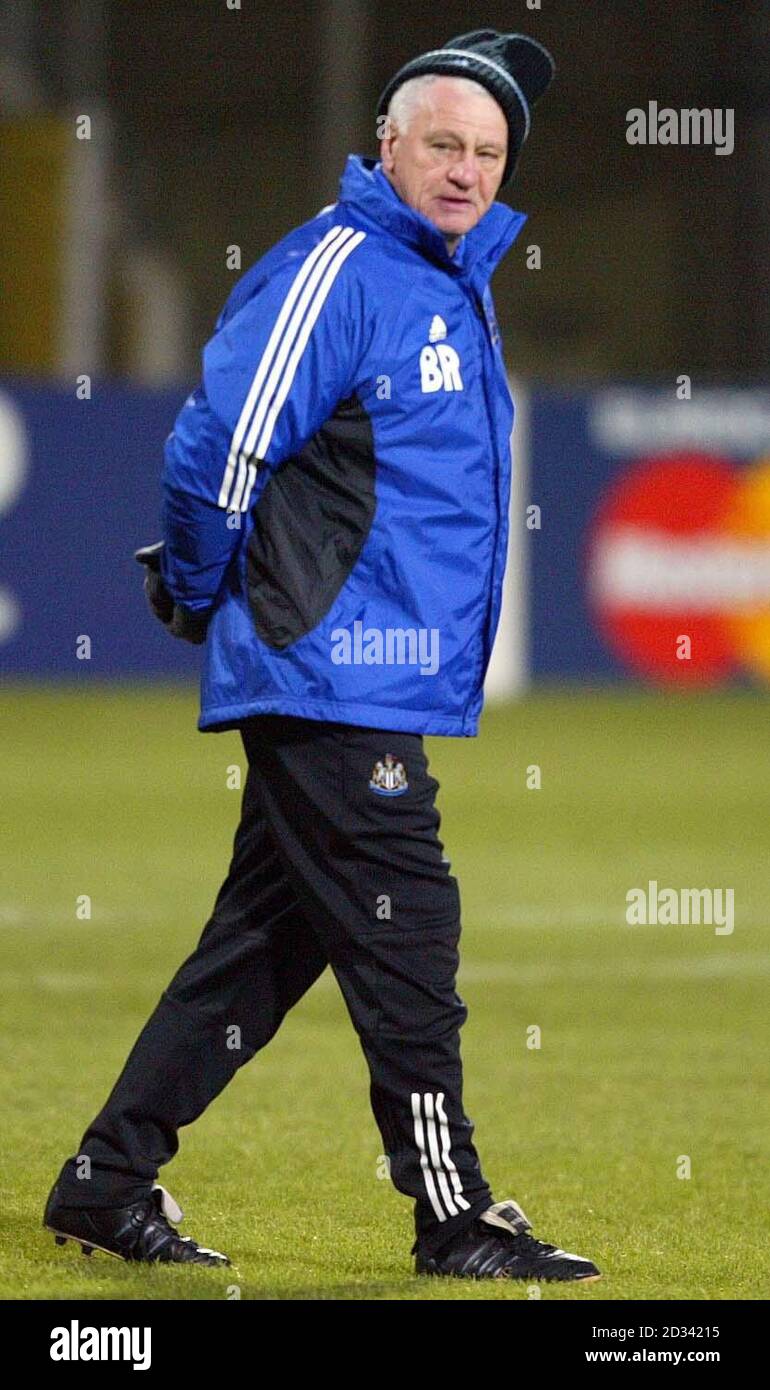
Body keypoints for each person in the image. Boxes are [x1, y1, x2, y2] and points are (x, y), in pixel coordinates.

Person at [44, 29, 600, 1283]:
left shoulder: (448, 276)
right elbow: (216, 448)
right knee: (411, 937)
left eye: (488, 152)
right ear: (388, 145)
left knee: (263, 941)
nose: (465, 170)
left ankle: (104, 1180)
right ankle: (451, 1216)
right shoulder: (340, 268)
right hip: (325, 666)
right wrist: (197, 586)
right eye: (444, 144)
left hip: (370, 670)